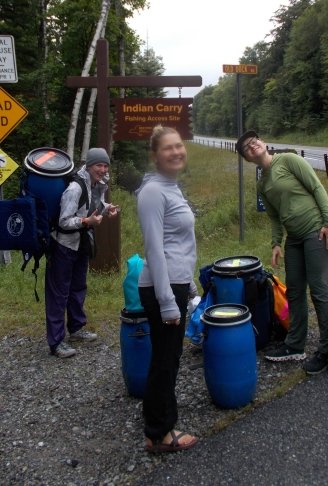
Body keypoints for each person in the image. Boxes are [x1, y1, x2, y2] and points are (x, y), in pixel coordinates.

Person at [236, 130, 328, 374]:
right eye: (247, 148)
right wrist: (276, 243)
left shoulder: (289, 160)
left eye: (254, 141)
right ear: (247, 158)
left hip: (316, 231)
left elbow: (317, 187)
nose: (253, 146)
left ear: (263, 143)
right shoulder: (262, 183)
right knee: (294, 291)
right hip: (293, 240)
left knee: (319, 289)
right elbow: (274, 217)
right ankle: (295, 345)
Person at [135, 125, 199, 453]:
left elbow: (181, 243)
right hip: (163, 288)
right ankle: (159, 433)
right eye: (167, 148)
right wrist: (167, 302)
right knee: (165, 360)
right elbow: (155, 250)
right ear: (155, 155)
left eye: (179, 146)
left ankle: (157, 425)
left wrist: (189, 286)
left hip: (176, 284)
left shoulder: (170, 186)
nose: (176, 152)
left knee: (168, 358)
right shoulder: (153, 192)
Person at [45, 147, 119, 358]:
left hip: (81, 244)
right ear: (89, 165)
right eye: (98, 165)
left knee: (78, 287)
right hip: (63, 245)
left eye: (105, 165)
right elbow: (64, 221)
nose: (103, 169)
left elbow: (91, 206)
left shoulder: (96, 184)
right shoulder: (75, 188)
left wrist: (106, 208)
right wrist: (87, 221)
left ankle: (76, 329)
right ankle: (56, 342)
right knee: (59, 293)